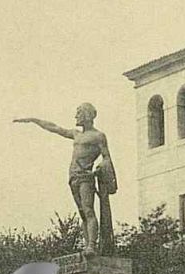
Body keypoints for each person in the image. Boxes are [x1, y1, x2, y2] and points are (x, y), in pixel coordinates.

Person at [13, 103, 117, 255]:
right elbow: (55, 128)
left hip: (85, 176)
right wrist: (34, 120)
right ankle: (88, 244)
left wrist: (101, 168)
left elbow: (107, 157)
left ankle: (91, 246)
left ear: (87, 115)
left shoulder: (98, 136)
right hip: (73, 177)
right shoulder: (76, 134)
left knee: (88, 211)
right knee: (82, 213)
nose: (76, 116)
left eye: (79, 113)